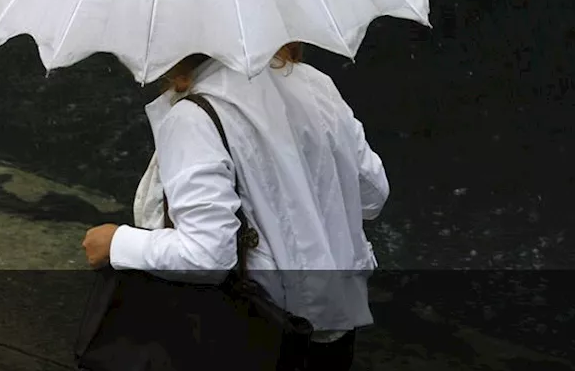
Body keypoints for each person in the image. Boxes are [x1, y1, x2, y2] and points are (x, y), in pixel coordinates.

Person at [82, 43, 389, 371]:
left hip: (256, 331)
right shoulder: (316, 85)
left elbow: (208, 254)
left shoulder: (195, 116)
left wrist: (116, 243)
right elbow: (373, 195)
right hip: (333, 328)